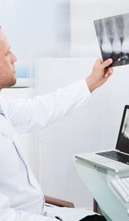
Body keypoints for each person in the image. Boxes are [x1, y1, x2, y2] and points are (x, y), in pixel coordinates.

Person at [0, 27, 113, 221]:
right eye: (7, 52)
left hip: (41, 210)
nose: (14, 58)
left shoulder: (3, 109)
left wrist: (91, 82)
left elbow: (40, 109)